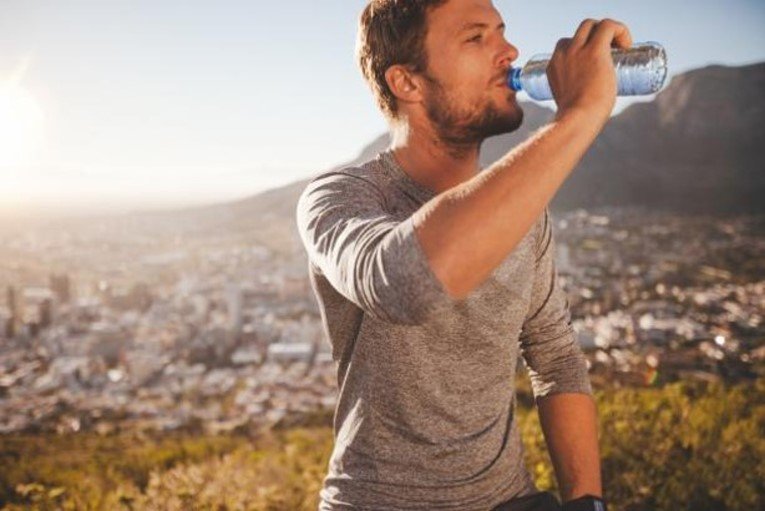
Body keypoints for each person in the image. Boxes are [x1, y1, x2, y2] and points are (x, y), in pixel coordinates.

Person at [295, 0, 631, 509]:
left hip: (510, 498)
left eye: (502, 32)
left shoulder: (524, 211)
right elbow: (400, 282)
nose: (510, 51)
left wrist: (588, 502)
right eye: (477, 39)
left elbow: (557, 358)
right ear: (407, 82)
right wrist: (579, 117)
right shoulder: (340, 196)